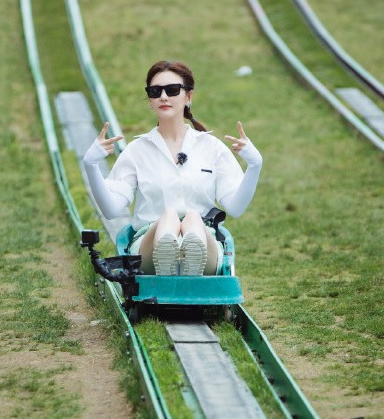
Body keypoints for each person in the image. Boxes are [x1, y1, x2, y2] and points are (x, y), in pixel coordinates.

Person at [82, 60, 262, 276]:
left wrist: (254, 166)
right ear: (150, 99)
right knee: (168, 216)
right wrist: (91, 165)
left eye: (173, 90)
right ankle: (168, 262)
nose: (164, 97)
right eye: (156, 91)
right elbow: (111, 209)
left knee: (193, 218)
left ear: (188, 97)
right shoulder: (137, 150)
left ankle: (190, 263)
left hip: (203, 241)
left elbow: (235, 207)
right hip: (150, 246)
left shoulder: (211, 148)